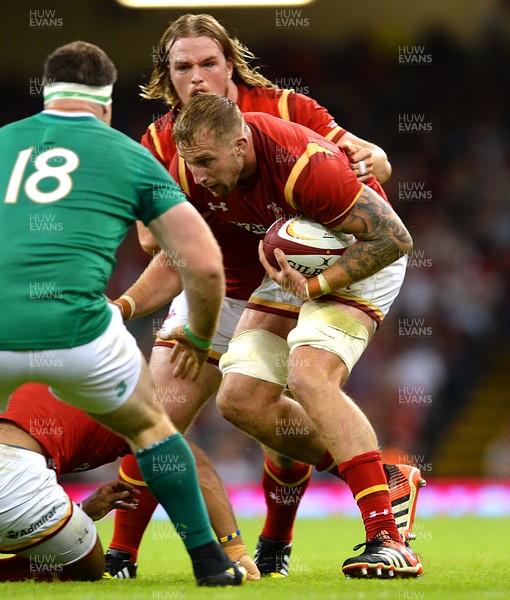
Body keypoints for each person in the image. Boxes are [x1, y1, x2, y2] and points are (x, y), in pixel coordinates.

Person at [105, 13, 423, 579]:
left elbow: (377, 192)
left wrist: (376, 162)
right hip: (234, 279)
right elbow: (162, 246)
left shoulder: (288, 117)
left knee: (304, 378)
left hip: (327, 256)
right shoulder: (161, 144)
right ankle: (121, 556)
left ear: (231, 63)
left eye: (209, 63)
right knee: (206, 406)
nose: (198, 77)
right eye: (183, 67)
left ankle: (326, 533)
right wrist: (123, 306)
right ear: (166, 75)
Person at [0, 41, 245, 586]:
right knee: (153, 429)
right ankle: (210, 563)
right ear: (106, 106)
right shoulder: (126, 154)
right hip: (78, 332)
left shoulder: (1, 145)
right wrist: (201, 339)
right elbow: (203, 267)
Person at [170, 92, 423, 579]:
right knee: (240, 396)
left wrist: (317, 286)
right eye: (190, 164)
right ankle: (386, 480)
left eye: (205, 161)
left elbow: (393, 238)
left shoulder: (305, 166)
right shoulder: (197, 175)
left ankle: (388, 540)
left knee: (309, 375)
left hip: (361, 254)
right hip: (295, 257)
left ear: (241, 144)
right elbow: (177, 253)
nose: (198, 175)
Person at [0, 383, 140, 581]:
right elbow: (164, 446)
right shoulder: (119, 413)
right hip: (14, 472)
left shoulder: (31, 385)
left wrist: (79, 510)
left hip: (15, 473)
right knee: (90, 569)